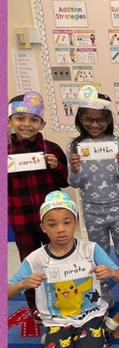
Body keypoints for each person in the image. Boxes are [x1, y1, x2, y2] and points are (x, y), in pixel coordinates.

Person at [8, 192, 119, 348]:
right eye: (52, 225)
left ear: (76, 223)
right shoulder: (35, 259)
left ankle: (103, 331)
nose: (60, 229)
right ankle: (63, 337)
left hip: (90, 314)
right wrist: (23, 284)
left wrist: (110, 272)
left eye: (66, 223)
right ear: (43, 227)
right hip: (57, 320)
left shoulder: (90, 249)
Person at [67, 86, 119, 316]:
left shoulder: (117, 143)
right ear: (80, 119)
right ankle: (103, 293)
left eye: (100, 121)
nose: (94, 125)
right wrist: (74, 169)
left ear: (108, 120)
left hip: (118, 207)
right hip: (92, 210)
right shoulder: (75, 146)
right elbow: (74, 183)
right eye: (88, 119)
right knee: (98, 253)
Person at [7, 91, 69, 316]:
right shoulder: (6, 153)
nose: (27, 124)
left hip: (53, 221)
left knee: (59, 259)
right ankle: (36, 308)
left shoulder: (51, 149)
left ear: (42, 124)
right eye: (20, 118)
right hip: (22, 220)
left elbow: (64, 181)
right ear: (10, 121)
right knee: (30, 264)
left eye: (33, 119)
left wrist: (56, 166)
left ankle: (63, 300)